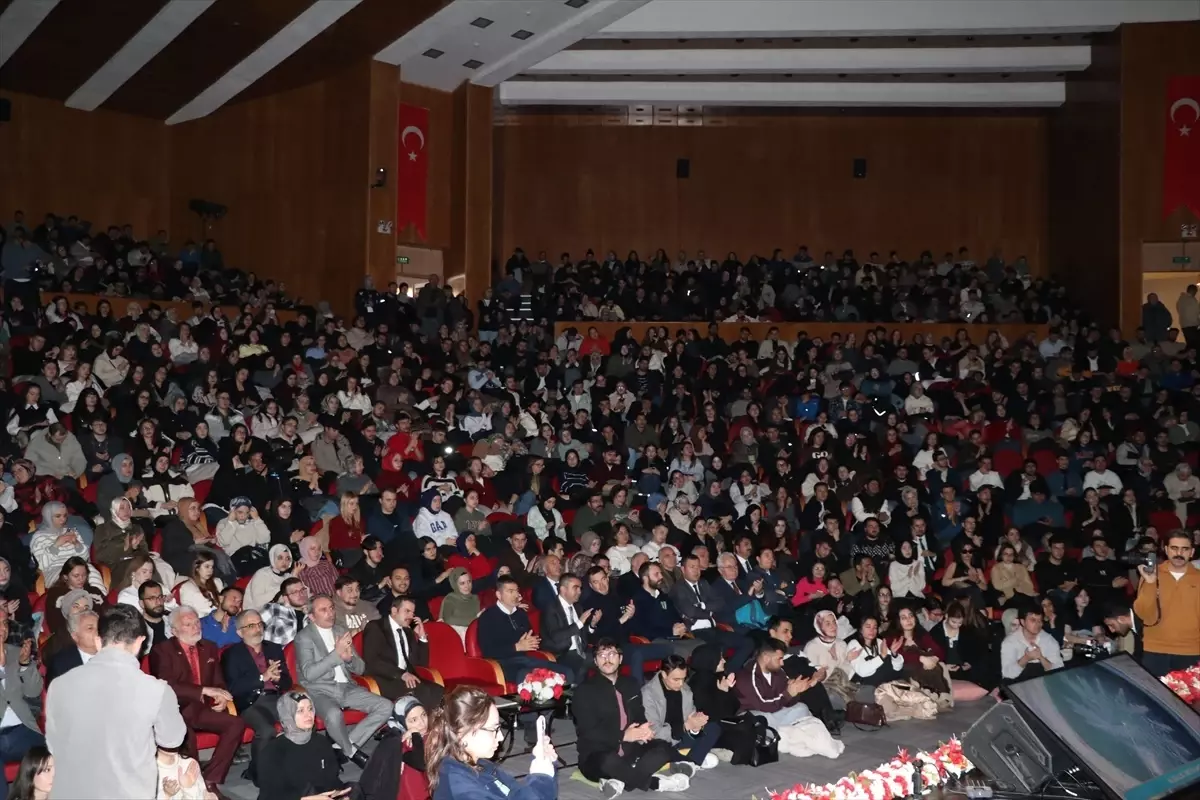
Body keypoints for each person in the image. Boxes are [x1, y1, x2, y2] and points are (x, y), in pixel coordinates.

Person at [46, 604, 187, 799]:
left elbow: (53, 744)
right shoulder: (156, 690)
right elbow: (172, 739)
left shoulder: (59, 685)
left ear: (98, 641)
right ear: (140, 642)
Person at [573, 638, 694, 797]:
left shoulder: (631, 684)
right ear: (595, 661)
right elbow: (587, 732)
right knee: (609, 761)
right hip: (598, 754)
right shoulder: (584, 691)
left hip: (631, 752)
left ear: (621, 658)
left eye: (612, 654)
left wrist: (643, 730)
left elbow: (639, 714)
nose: (607, 659)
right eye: (602, 655)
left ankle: (621, 780)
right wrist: (623, 736)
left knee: (662, 748)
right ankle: (655, 783)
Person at [148, 606, 248, 791]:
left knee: (236, 723)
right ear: (174, 630)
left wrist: (221, 698)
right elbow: (167, 685)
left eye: (196, 622)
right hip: (177, 710)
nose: (196, 627)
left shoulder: (208, 647)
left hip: (203, 709)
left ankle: (210, 780)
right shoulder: (162, 650)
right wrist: (203, 690)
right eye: (188, 624)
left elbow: (218, 680)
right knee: (188, 737)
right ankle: (193, 786)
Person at [293, 594, 392, 766]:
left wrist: (348, 659)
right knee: (333, 714)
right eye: (323, 610)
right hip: (319, 689)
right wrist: (336, 655)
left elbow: (360, 668)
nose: (330, 613)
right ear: (311, 616)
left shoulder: (340, 631)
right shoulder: (304, 638)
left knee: (386, 706)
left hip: (346, 687)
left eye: (331, 608)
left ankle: (342, 747)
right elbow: (309, 674)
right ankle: (351, 752)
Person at [425, 686, 557, 800]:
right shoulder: (459, 787)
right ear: (462, 733)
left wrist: (544, 767)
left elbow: (516, 793)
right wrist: (542, 777)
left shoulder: (480, 764)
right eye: (493, 729)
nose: (500, 737)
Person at [734, 639, 844, 758]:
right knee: (761, 719)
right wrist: (788, 693)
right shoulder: (747, 676)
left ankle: (786, 735)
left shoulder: (778, 671)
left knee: (801, 707)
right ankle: (790, 735)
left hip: (775, 714)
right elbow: (763, 705)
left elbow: (787, 701)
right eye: (779, 659)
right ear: (766, 658)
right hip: (755, 715)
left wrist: (795, 692)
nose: (782, 663)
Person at [220, 608, 293, 786]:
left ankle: (295, 768)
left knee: (303, 721)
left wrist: (277, 679)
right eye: (251, 625)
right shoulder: (232, 654)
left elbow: (287, 682)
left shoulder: (274, 648)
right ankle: (260, 774)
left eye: (260, 624)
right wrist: (262, 678)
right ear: (240, 632)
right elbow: (233, 688)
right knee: (266, 730)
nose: (258, 628)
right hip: (250, 702)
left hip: (275, 698)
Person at [475, 576, 572, 686]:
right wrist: (516, 647)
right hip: (501, 664)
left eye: (516, 591)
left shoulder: (520, 614)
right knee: (528, 675)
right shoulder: (488, 617)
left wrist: (533, 641)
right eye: (510, 591)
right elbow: (487, 651)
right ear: (499, 595)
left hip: (524, 660)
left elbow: (531, 638)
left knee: (566, 672)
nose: (515, 595)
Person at [256, 691, 349, 800]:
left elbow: (332, 779)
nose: (308, 715)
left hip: (319, 796)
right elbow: (271, 795)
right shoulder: (273, 751)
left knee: (355, 789)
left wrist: (338, 794)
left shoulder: (321, 742)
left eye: (310, 709)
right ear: (288, 715)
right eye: (300, 711)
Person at [1132, 530, 1200, 677]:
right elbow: (1142, 613)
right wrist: (1150, 583)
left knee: (1186, 700)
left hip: (1191, 650)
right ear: (1166, 549)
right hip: (1155, 650)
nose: (1179, 553)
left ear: (1192, 552)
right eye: (1174, 548)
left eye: (1185, 549)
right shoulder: (1151, 574)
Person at [669, 554, 754, 668]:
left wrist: (703, 605)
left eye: (698, 567)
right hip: (695, 632)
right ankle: (721, 676)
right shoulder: (678, 588)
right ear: (683, 569)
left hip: (713, 628)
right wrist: (710, 612)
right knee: (718, 649)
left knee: (747, 643)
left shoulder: (703, 583)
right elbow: (691, 612)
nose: (696, 570)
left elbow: (720, 603)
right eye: (692, 567)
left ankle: (729, 672)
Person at [641, 655, 723, 769]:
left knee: (713, 728)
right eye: (676, 679)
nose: (680, 683)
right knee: (660, 747)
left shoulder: (685, 690)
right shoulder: (648, 694)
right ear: (664, 674)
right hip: (662, 741)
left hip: (681, 737)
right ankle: (690, 760)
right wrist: (686, 726)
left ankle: (689, 763)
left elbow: (691, 716)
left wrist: (696, 727)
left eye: (683, 679)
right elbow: (653, 732)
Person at [362, 596, 443, 708]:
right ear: (394, 611)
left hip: (408, 679)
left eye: (413, 613)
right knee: (424, 693)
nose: (411, 616)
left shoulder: (407, 631)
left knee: (440, 691)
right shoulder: (376, 627)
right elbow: (372, 661)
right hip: (385, 679)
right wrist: (402, 674)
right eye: (407, 611)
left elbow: (421, 665)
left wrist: (422, 637)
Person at [0, 609, 42, 797]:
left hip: (22, 729)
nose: (2, 628)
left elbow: (34, 691)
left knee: (55, 756)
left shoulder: (17, 652)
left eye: (4, 623)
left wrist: (25, 665)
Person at [357, 696, 429, 800]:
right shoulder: (398, 742)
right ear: (401, 722)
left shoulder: (428, 734)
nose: (422, 723)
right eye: (414, 720)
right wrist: (415, 734)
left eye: (424, 715)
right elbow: (421, 763)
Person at [1000, 605, 1065, 681]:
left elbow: (1059, 671)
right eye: (1033, 620)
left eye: (1040, 620)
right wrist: (1026, 658)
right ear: (1023, 622)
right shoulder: (1010, 642)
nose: (1038, 624)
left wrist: (1041, 658)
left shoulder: (1048, 640)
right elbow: (1007, 674)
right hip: (1018, 686)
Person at [44, 609, 99, 685]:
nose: (98, 632)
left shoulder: (113, 654)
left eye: (99, 627)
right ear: (75, 636)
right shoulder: (60, 664)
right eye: (90, 628)